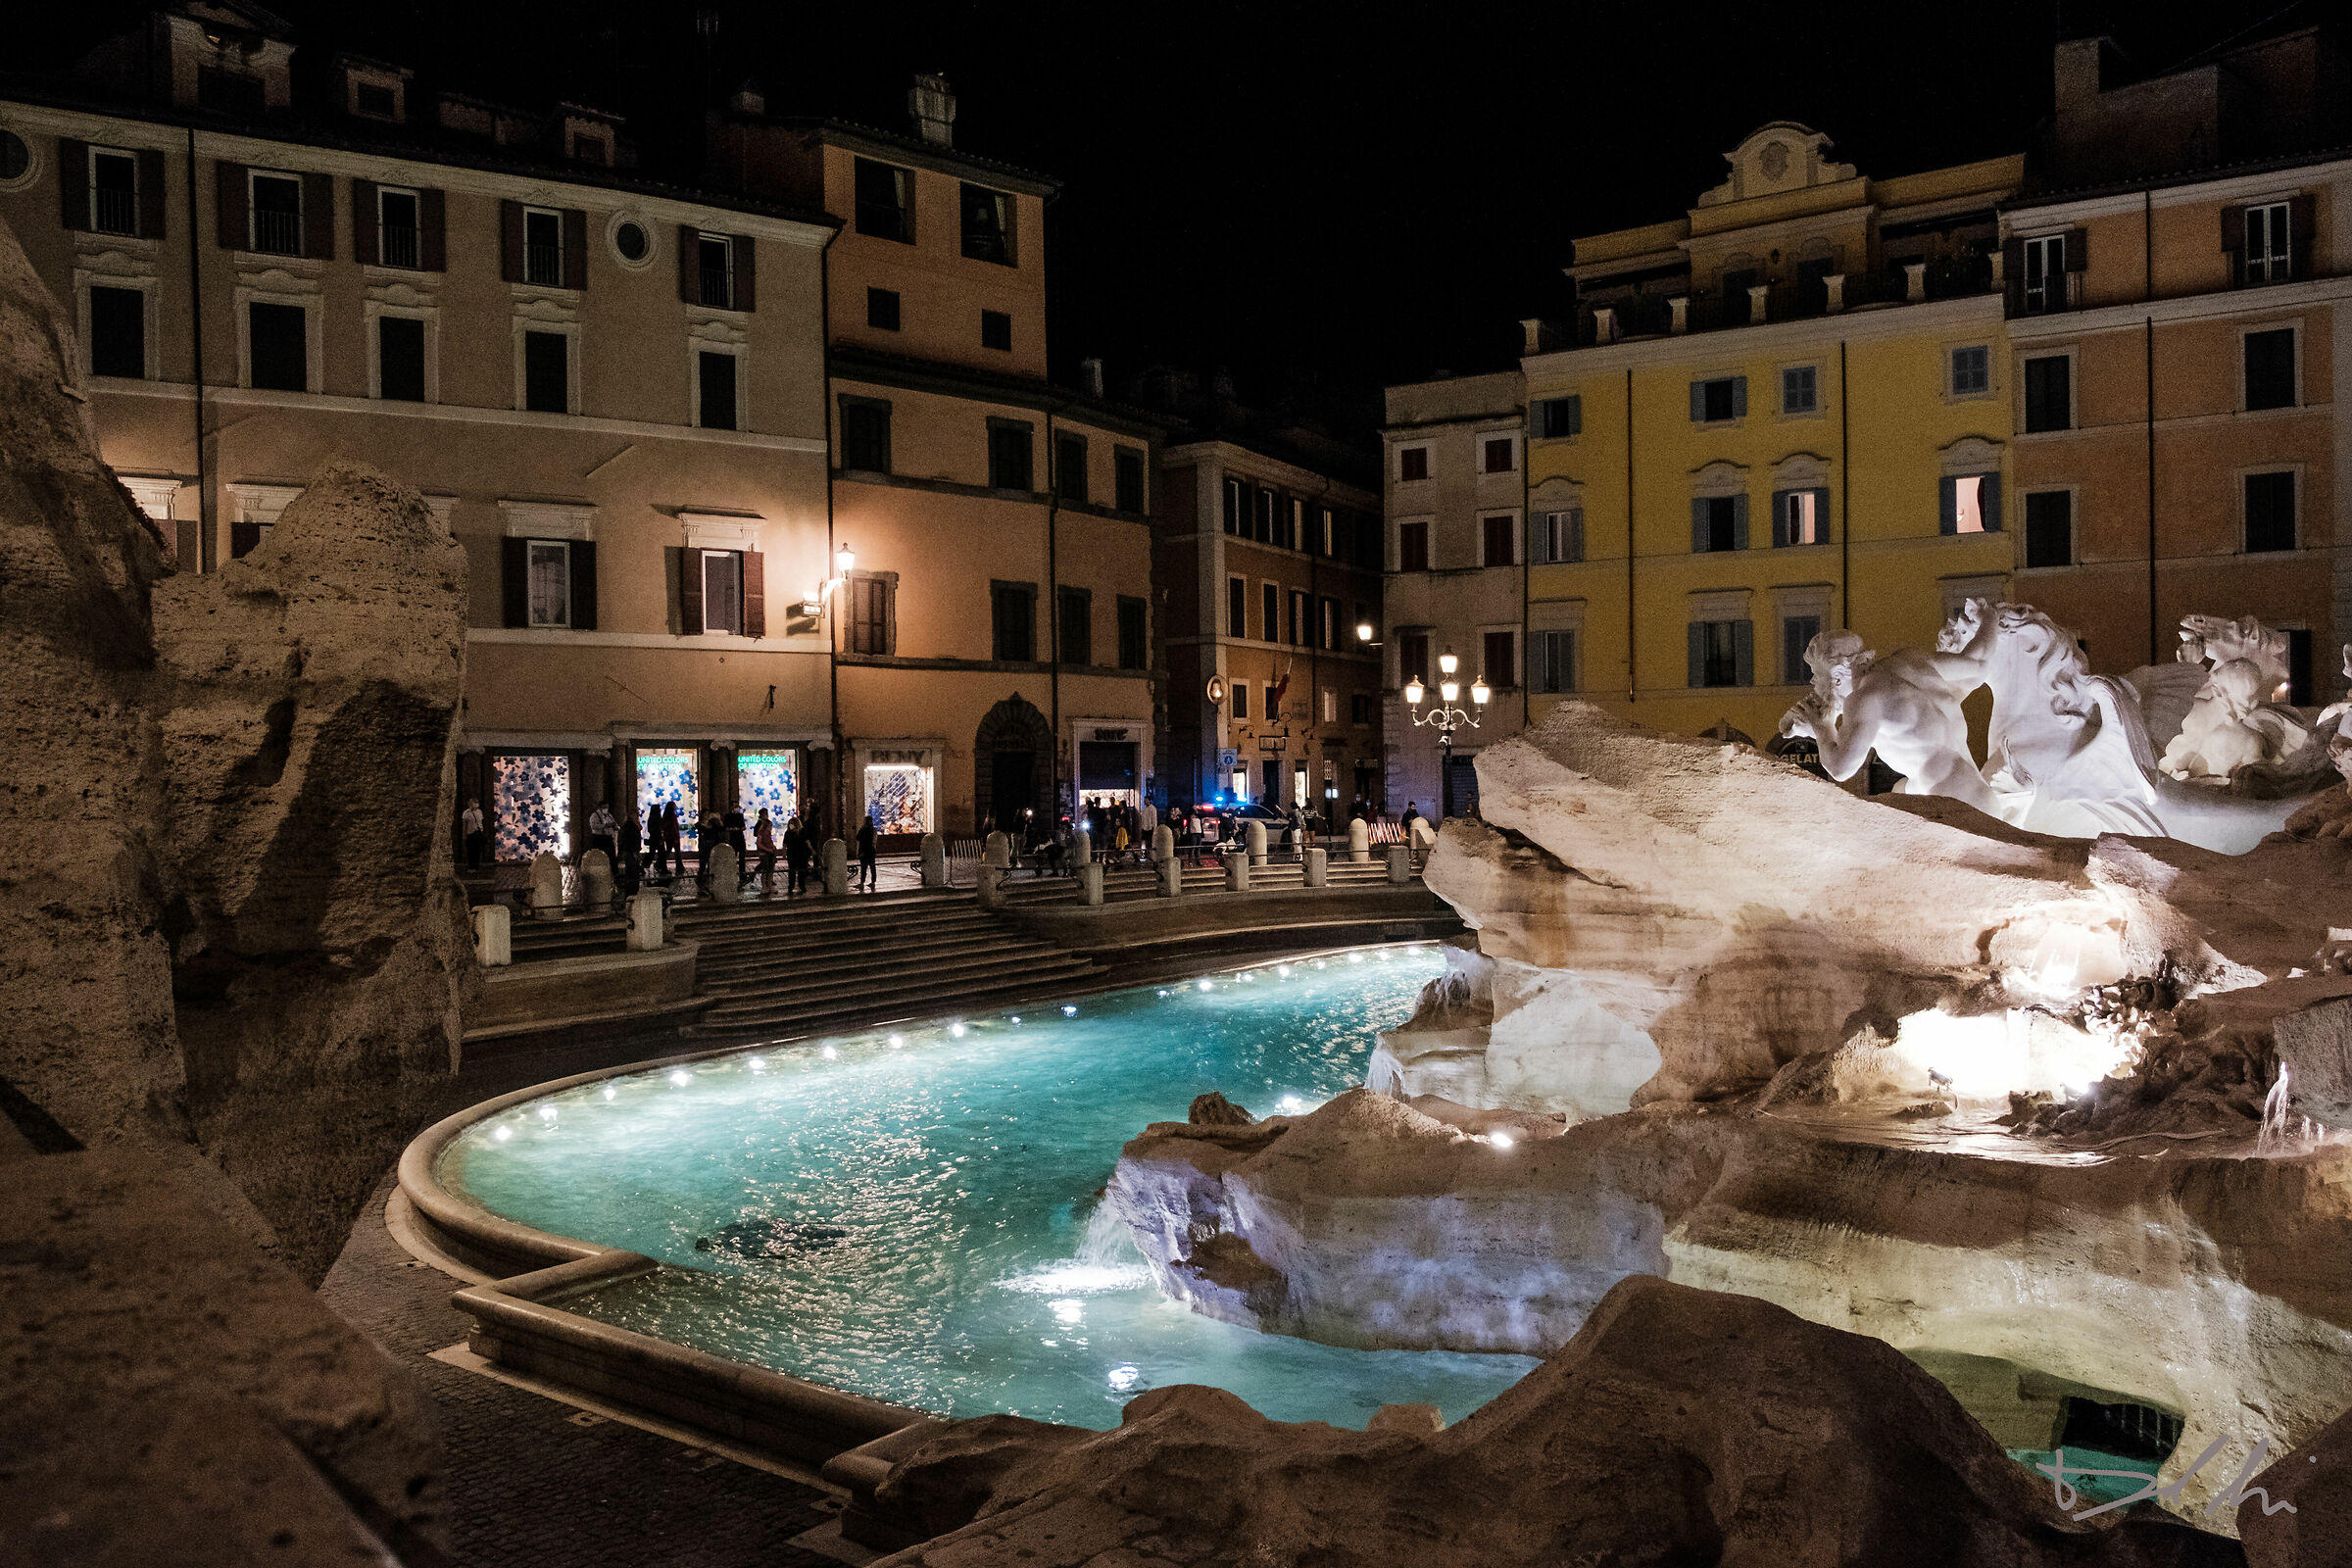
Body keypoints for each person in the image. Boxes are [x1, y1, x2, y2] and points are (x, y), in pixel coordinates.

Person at [783, 813, 812, 897]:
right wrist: (784, 853)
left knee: (801, 871)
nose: (791, 826)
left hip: (801, 853)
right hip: (792, 853)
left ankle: (802, 885)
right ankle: (791, 886)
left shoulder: (802, 832)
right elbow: (785, 844)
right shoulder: (788, 833)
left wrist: (811, 850)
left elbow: (807, 841)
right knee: (792, 870)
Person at [754, 808, 777, 894]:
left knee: (771, 870)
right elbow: (759, 843)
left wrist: (773, 846)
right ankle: (764, 886)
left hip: (770, 852)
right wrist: (767, 849)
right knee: (765, 869)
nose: (771, 828)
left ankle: (770, 885)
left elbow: (770, 840)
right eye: (770, 826)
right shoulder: (761, 832)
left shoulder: (768, 833)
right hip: (764, 853)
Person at [587, 800, 617, 865]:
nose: (605, 809)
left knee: (612, 855)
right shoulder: (595, 815)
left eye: (607, 807)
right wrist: (604, 826)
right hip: (599, 838)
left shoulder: (609, 815)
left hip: (608, 838)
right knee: (600, 856)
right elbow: (593, 826)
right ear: (600, 807)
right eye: (604, 807)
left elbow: (614, 823)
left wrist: (615, 826)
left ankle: (613, 871)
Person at [461, 797, 486, 871]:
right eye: (474, 803)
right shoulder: (466, 813)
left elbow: (481, 822)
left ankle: (476, 866)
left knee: (477, 850)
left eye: (476, 803)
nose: (476, 804)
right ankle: (471, 867)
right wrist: (464, 835)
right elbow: (464, 825)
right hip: (470, 833)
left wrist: (482, 830)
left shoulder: (479, 812)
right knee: (470, 851)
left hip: (478, 832)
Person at [857, 812, 878, 890]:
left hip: (864, 850)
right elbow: (874, 841)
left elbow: (858, 838)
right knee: (872, 866)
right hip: (871, 850)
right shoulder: (874, 830)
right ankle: (873, 882)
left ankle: (862, 882)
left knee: (864, 867)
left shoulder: (863, 830)